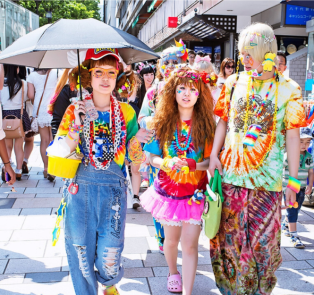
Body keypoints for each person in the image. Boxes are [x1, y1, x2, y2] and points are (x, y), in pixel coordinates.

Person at [208, 22, 306, 295]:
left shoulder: (289, 89)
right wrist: (215, 155)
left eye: (249, 52)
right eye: (242, 53)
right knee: (227, 245)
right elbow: (223, 123)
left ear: (266, 52)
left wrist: (294, 183)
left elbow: (293, 137)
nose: (243, 59)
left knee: (263, 248)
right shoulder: (233, 82)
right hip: (230, 179)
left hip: (268, 184)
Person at [47, 48, 148, 295]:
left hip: (113, 192)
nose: (105, 79)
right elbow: (57, 151)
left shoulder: (127, 112)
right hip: (79, 190)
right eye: (98, 72)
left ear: (118, 78)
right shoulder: (75, 110)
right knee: (80, 250)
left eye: (111, 73)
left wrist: (138, 141)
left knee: (110, 254)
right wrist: (75, 128)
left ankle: (109, 283)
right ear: (88, 77)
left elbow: (135, 159)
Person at [140, 67, 215, 295]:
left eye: (192, 89)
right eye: (181, 88)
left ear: (200, 94)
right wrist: (164, 163)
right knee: (170, 242)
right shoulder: (161, 123)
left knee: (190, 245)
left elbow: (211, 162)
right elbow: (150, 156)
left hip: (195, 194)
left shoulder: (208, 126)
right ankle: (173, 272)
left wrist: (193, 165)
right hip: (168, 193)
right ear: (172, 92)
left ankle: (187, 291)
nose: (186, 93)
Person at [138, 43, 188, 253]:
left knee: (185, 194)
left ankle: (182, 234)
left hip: (185, 151)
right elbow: (141, 119)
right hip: (159, 151)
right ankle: (162, 238)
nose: (171, 67)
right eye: (166, 63)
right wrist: (156, 120)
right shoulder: (153, 92)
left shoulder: (188, 89)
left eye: (175, 63)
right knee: (160, 193)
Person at [282, 127, 314, 249]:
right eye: (301, 141)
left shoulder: (309, 156)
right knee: (293, 210)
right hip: (290, 187)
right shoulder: (288, 155)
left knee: (297, 208)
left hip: (302, 187)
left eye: (307, 142)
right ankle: (293, 235)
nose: (304, 145)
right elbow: (281, 169)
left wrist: (310, 184)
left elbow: (311, 172)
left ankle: (286, 224)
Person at [0, 65, 32, 180]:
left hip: (5, 117)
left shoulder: (1, 83)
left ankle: (6, 169)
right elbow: (27, 98)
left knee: (7, 146)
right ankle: (18, 171)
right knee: (19, 146)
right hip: (19, 115)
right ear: (17, 69)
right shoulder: (22, 83)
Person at [27, 69, 58, 180]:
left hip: (40, 110)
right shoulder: (56, 72)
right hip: (54, 108)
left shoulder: (32, 75)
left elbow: (30, 95)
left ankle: (46, 168)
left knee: (44, 140)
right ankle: (53, 168)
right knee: (53, 139)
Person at [18, 66, 33, 174]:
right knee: (29, 140)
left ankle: (11, 166)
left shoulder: (3, 83)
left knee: (14, 143)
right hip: (23, 115)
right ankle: (24, 161)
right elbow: (30, 96)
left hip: (7, 116)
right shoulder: (23, 83)